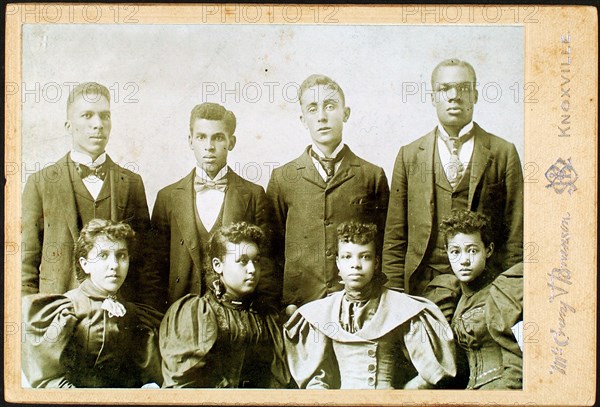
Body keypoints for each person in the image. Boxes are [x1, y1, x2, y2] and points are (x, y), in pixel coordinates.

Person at [382, 59, 523, 321]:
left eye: (463, 88)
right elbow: (395, 236)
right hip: (423, 289)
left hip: (487, 290)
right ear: (433, 96)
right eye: (445, 88)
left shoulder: (503, 153)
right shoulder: (409, 156)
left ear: (476, 95)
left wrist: (506, 295)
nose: (454, 96)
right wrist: (396, 297)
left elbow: (516, 235)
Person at [21, 82, 155, 305]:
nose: (98, 124)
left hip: (119, 319)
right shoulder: (40, 183)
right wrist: (33, 319)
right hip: (58, 316)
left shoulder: (131, 183)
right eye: (87, 115)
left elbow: (146, 263)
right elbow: (26, 265)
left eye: (105, 116)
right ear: (68, 126)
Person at [267, 74, 390, 315]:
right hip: (300, 307)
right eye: (312, 109)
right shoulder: (283, 178)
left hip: (359, 306)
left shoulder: (371, 176)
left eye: (330, 106)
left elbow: (385, 244)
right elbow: (271, 251)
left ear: (346, 113)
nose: (322, 116)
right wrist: (282, 304)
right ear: (303, 119)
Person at [284, 221, 456, 389]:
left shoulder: (402, 307)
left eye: (365, 257)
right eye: (347, 257)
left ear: (376, 263)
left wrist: (406, 393)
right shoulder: (321, 312)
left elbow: (432, 372)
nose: (355, 265)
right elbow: (316, 381)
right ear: (337, 263)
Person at [150, 102, 276, 312]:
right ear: (190, 141)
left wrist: (264, 315)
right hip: (181, 314)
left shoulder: (254, 195)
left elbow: (268, 265)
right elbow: (152, 269)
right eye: (201, 137)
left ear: (231, 142)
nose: (209, 146)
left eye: (218, 138)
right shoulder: (167, 198)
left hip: (237, 316)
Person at [22, 219, 163, 388]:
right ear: (85, 264)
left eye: (121, 256)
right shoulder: (66, 310)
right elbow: (48, 381)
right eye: (103, 255)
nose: (114, 265)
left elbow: (148, 379)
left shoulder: (133, 314)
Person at [159, 222, 289, 388]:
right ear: (217, 265)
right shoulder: (197, 312)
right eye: (242, 261)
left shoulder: (267, 316)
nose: (252, 269)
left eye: (256, 261)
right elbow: (183, 383)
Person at [440, 210, 523, 389]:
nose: (464, 260)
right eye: (455, 251)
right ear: (447, 252)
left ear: (488, 250)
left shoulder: (504, 293)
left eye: (472, 251)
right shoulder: (455, 300)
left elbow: (522, 362)